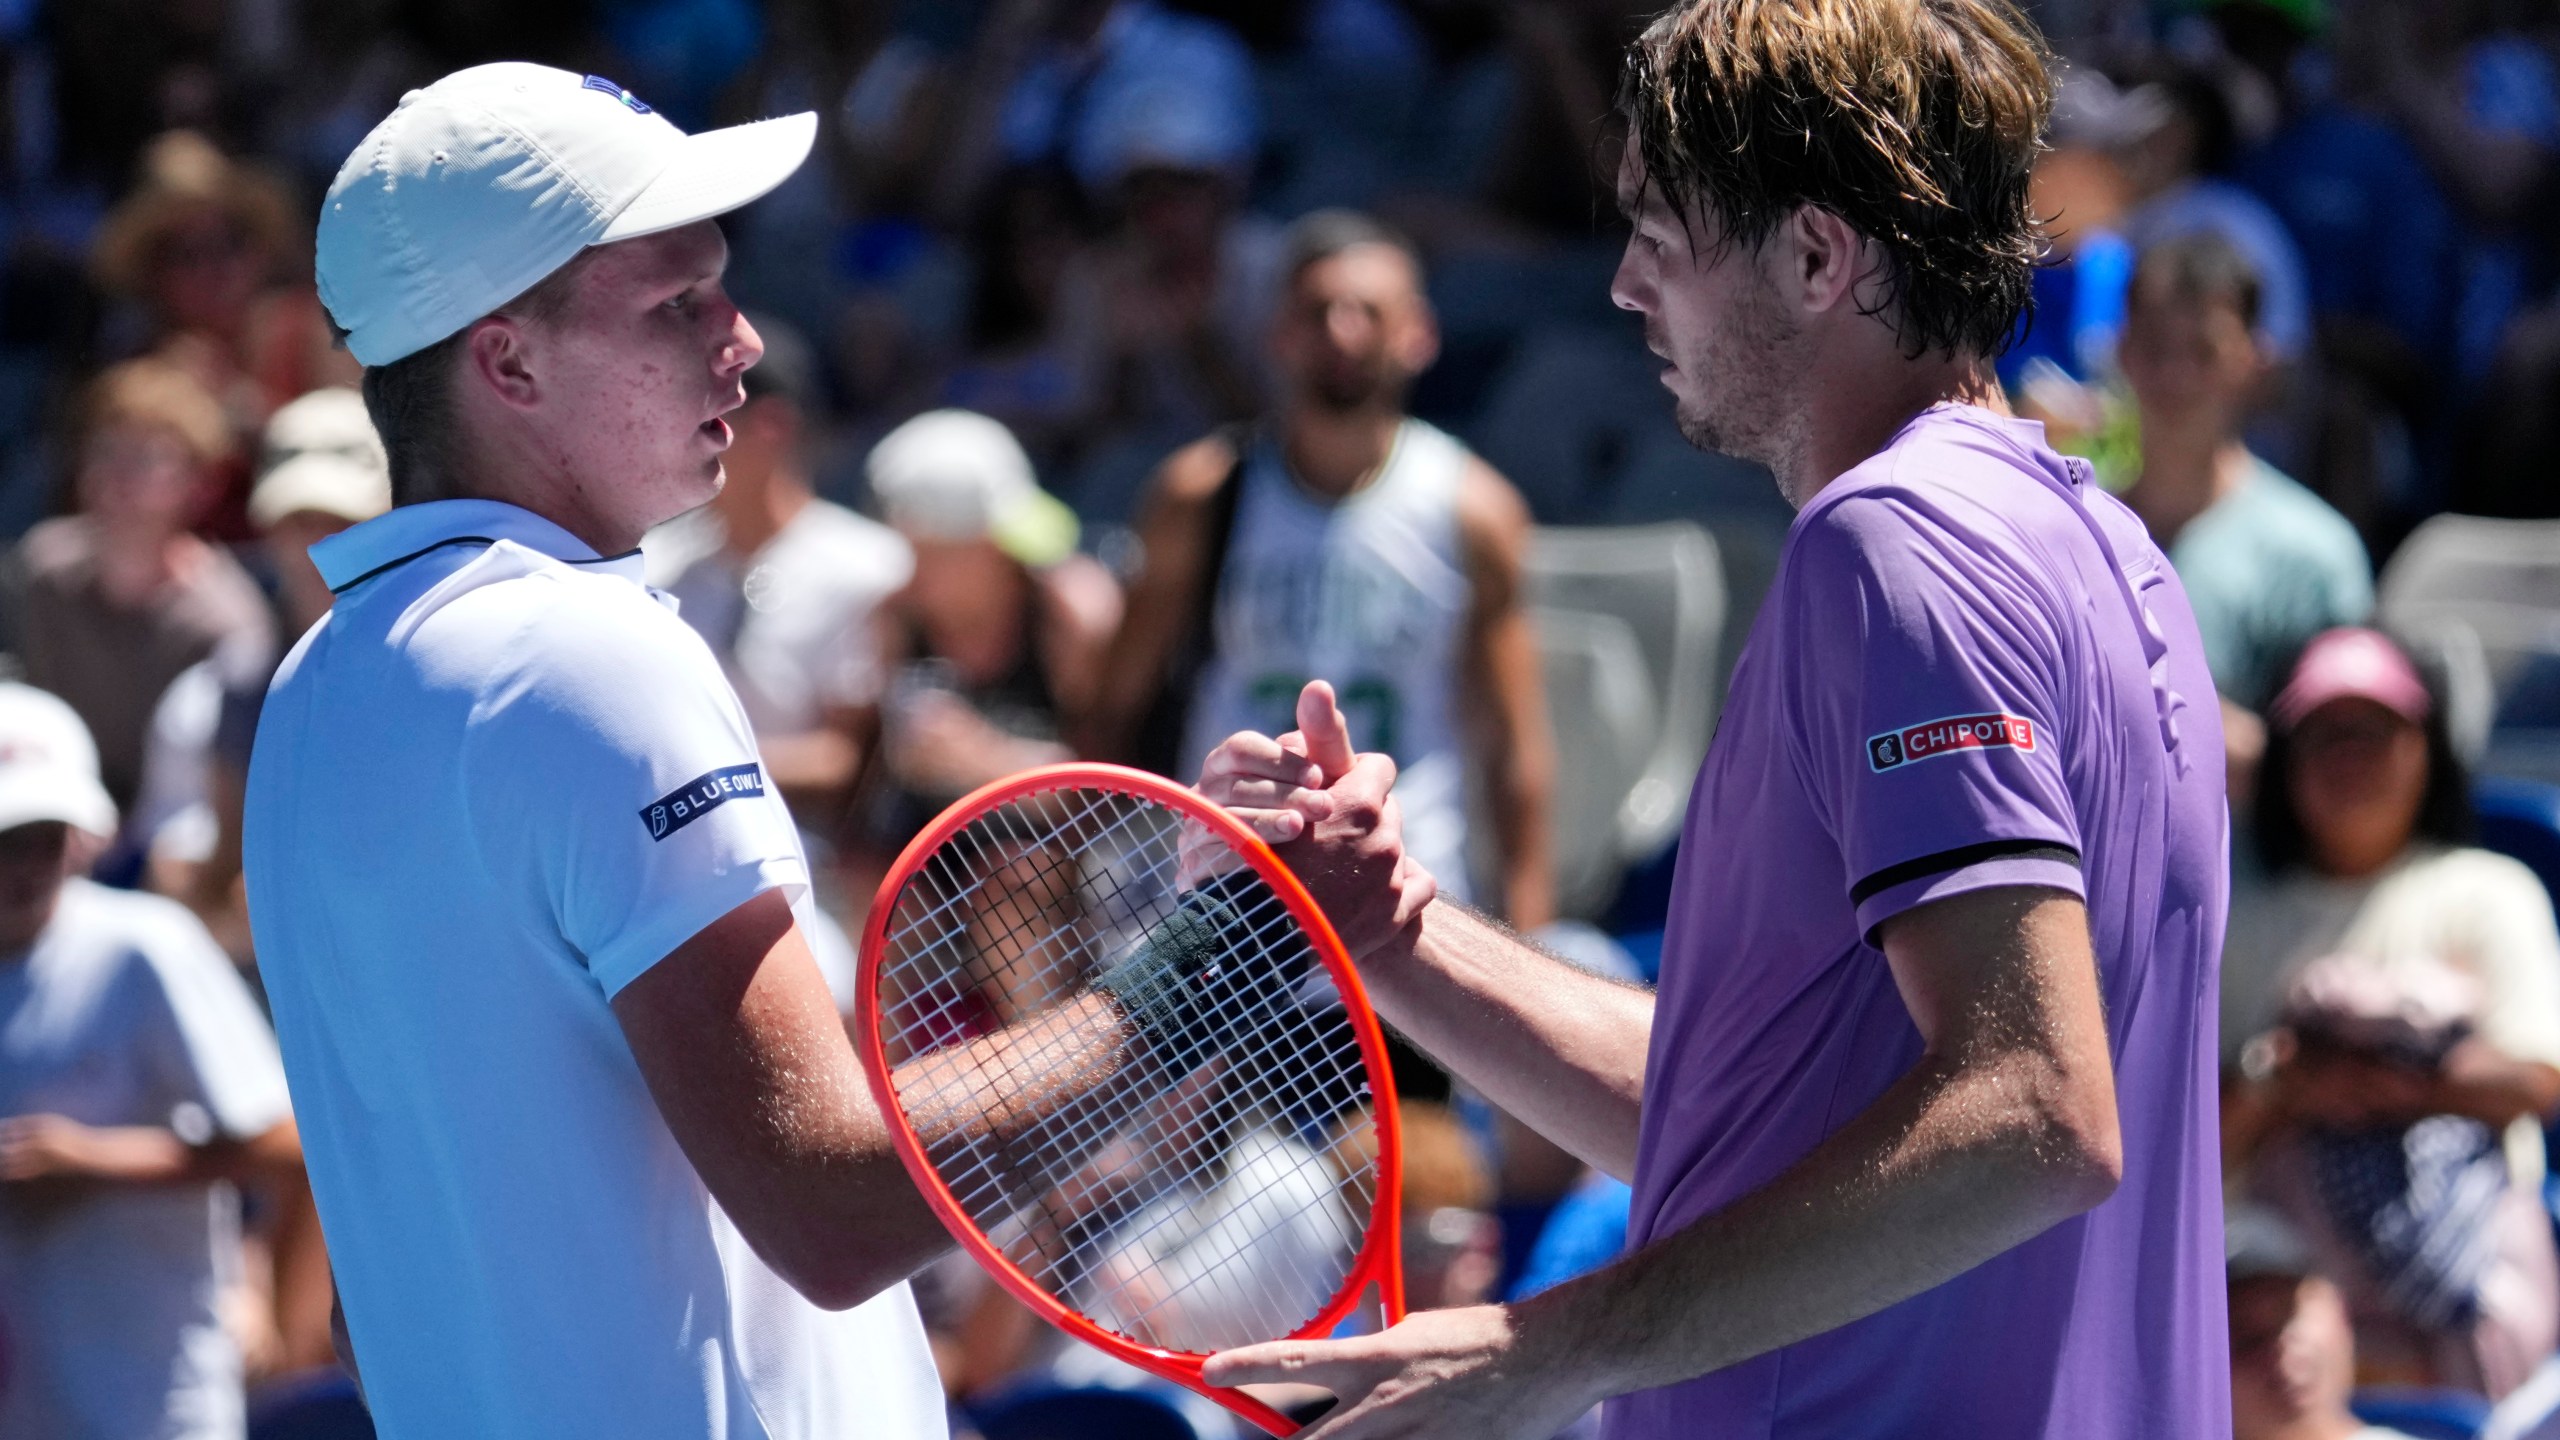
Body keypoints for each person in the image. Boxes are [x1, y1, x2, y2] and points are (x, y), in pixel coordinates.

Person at [1193, 1, 2233, 1435]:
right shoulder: (2110, 553)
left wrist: (1539, 1346)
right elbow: (1754, 1134)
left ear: (1816, 255)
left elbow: (2036, 1116)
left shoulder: (1893, 549)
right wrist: (1387, 932)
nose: (1624, 288)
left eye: (1661, 236)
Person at [242, 64, 1004, 1437]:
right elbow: (833, 1207)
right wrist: (1198, 977)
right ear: (509, 359)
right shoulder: (588, 652)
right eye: (678, 302)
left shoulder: (311, 693)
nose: (746, 339)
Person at [1089, 210, 1555, 925]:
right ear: (1278, 336)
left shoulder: (1475, 512)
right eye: (1317, 311)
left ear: (1418, 334)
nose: (1342, 332)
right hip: (1226, 895)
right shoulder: (1201, 495)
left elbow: (1514, 751)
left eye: (1367, 311)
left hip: (1409, 900)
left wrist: (1531, 934)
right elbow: (1119, 703)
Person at [2222, 627, 2560, 1397]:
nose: (2351, 758)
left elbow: (2533, 1085)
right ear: (2286, 761)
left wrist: (2389, 1074)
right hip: (2277, 1296)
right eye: (2324, 736)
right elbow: (2198, 1135)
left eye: (2375, 733)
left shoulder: (2491, 891)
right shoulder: (2231, 914)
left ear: (2425, 749)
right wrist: (2281, 1080)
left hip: (2468, 1286)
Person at [0, 682, 303, 1440]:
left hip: (154, 1399)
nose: (24, 866)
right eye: (4, 843)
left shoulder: (145, 945)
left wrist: (93, 1164)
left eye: (41, 837)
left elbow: (285, 1140)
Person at [2115, 232, 2372, 805]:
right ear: (2121, 352)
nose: (2176, 376)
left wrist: (2172, 716)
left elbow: (2342, 766)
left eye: (2203, 352)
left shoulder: (2313, 553)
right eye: (2156, 347)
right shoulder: (2074, 532)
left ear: (2255, 362)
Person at [645, 316, 914, 829]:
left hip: (808, 861)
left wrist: (691, 776)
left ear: (772, 425)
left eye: (699, 421)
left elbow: (848, 760)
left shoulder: (871, 566)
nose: (670, 440)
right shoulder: (655, 561)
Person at [8, 358, 274, 824]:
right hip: (43, 817)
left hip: (164, 834)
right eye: (105, 451)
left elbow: (210, 793)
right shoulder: (42, 569)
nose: (118, 477)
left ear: (201, 485)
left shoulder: (225, 623)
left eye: (145, 459)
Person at [858, 408, 1119, 851]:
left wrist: (982, 760)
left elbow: (1117, 795)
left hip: (1049, 868)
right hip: (928, 863)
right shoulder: (895, 616)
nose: (1014, 557)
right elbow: (880, 785)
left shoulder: (1071, 612)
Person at [2227, 1205, 2423, 1440]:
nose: (2277, 1350)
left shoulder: (2466, 1427)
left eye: (2288, 1313)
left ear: (2339, 1308)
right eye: (2244, 1336)